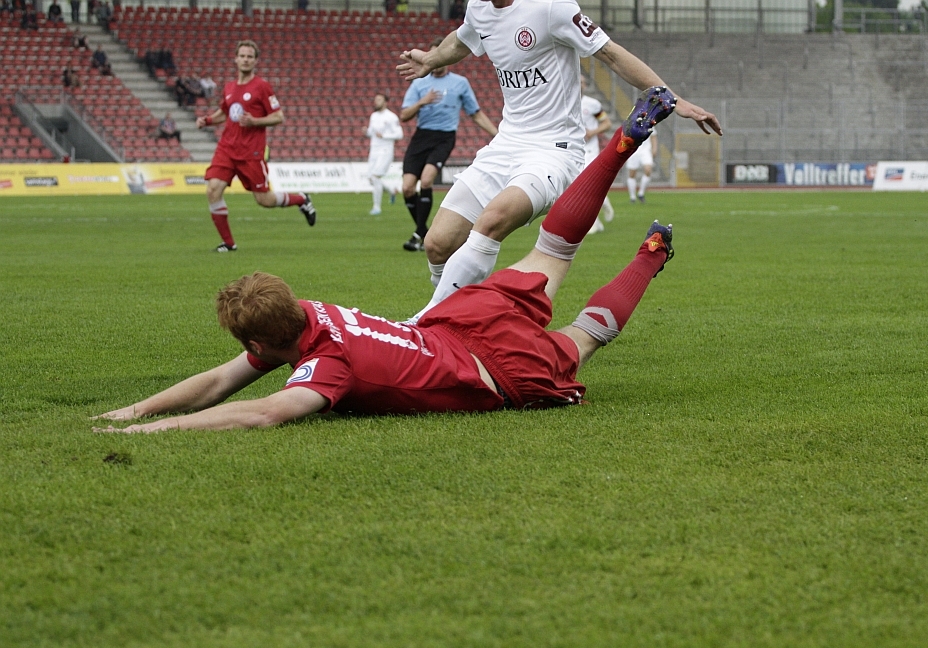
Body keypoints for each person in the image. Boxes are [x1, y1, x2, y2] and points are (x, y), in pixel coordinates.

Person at [92, 92, 675, 432]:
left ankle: (650, 257)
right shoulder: (309, 313)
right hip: (458, 319)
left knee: (583, 338)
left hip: (495, 371)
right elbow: (221, 381)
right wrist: (134, 410)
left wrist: (160, 426)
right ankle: (617, 147)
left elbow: (266, 412)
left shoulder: (326, 367)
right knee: (553, 249)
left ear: (261, 344)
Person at [397, 0, 721, 322]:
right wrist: (430, 59)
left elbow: (610, 53)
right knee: (437, 243)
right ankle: (457, 321)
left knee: (492, 220)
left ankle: (426, 323)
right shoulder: (478, 9)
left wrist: (671, 98)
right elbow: (461, 40)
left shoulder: (552, 7)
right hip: (505, 145)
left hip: (553, 150)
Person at [196, 40, 317, 252]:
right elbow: (225, 113)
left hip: (250, 152)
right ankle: (229, 244)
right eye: (242, 56)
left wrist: (255, 121)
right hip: (226, 149)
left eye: (249, 57)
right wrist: (207, 120)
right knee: (213, 190)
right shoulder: (230, 87)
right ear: (235, 59)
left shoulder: (262, 87)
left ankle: (301, 199)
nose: (245, 60)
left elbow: (278, 116)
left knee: (264, 200)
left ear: (255, 61)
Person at [398, 36, 497, 252]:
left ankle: (419, 235)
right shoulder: (419, 82)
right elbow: (404, 115)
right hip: (421, 136)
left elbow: (475, 113)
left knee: (426, 181)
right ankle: (422, 232)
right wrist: (422, 102)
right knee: (407, 188)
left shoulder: (460, 83)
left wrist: (497, 134)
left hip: (444, 137)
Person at [580, 74, 614, 234]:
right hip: (572, 150)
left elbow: (607, 123)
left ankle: (592, 223)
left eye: (582, 82)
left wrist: (592, 132)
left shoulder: (592, 104)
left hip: (590, 149)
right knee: (578, 186)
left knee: (586, 184)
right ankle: (604, 203)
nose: (579, 85)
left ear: (585, 85)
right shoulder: (563, 102)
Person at [365, 92, 403, 216]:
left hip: (385, 151)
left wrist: (384, 135)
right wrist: (366, 132)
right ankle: (392, 190)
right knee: (371, 179)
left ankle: (377, 207)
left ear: (385, 102)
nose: (376, 102)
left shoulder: (391, 117)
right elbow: (371, 133)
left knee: (375, 177)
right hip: (374, 150)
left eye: (379, 99)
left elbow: (399, 134)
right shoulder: (373, 116)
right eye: (376, 99)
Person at [626, 126, 657, 203]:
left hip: (645, 151)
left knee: (648, 170)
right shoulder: (631, 123)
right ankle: (632, 197)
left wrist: (654, 149)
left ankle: (641, 193)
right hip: (633, 151)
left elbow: (653, 136)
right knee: (632, 174)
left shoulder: (649, 123)